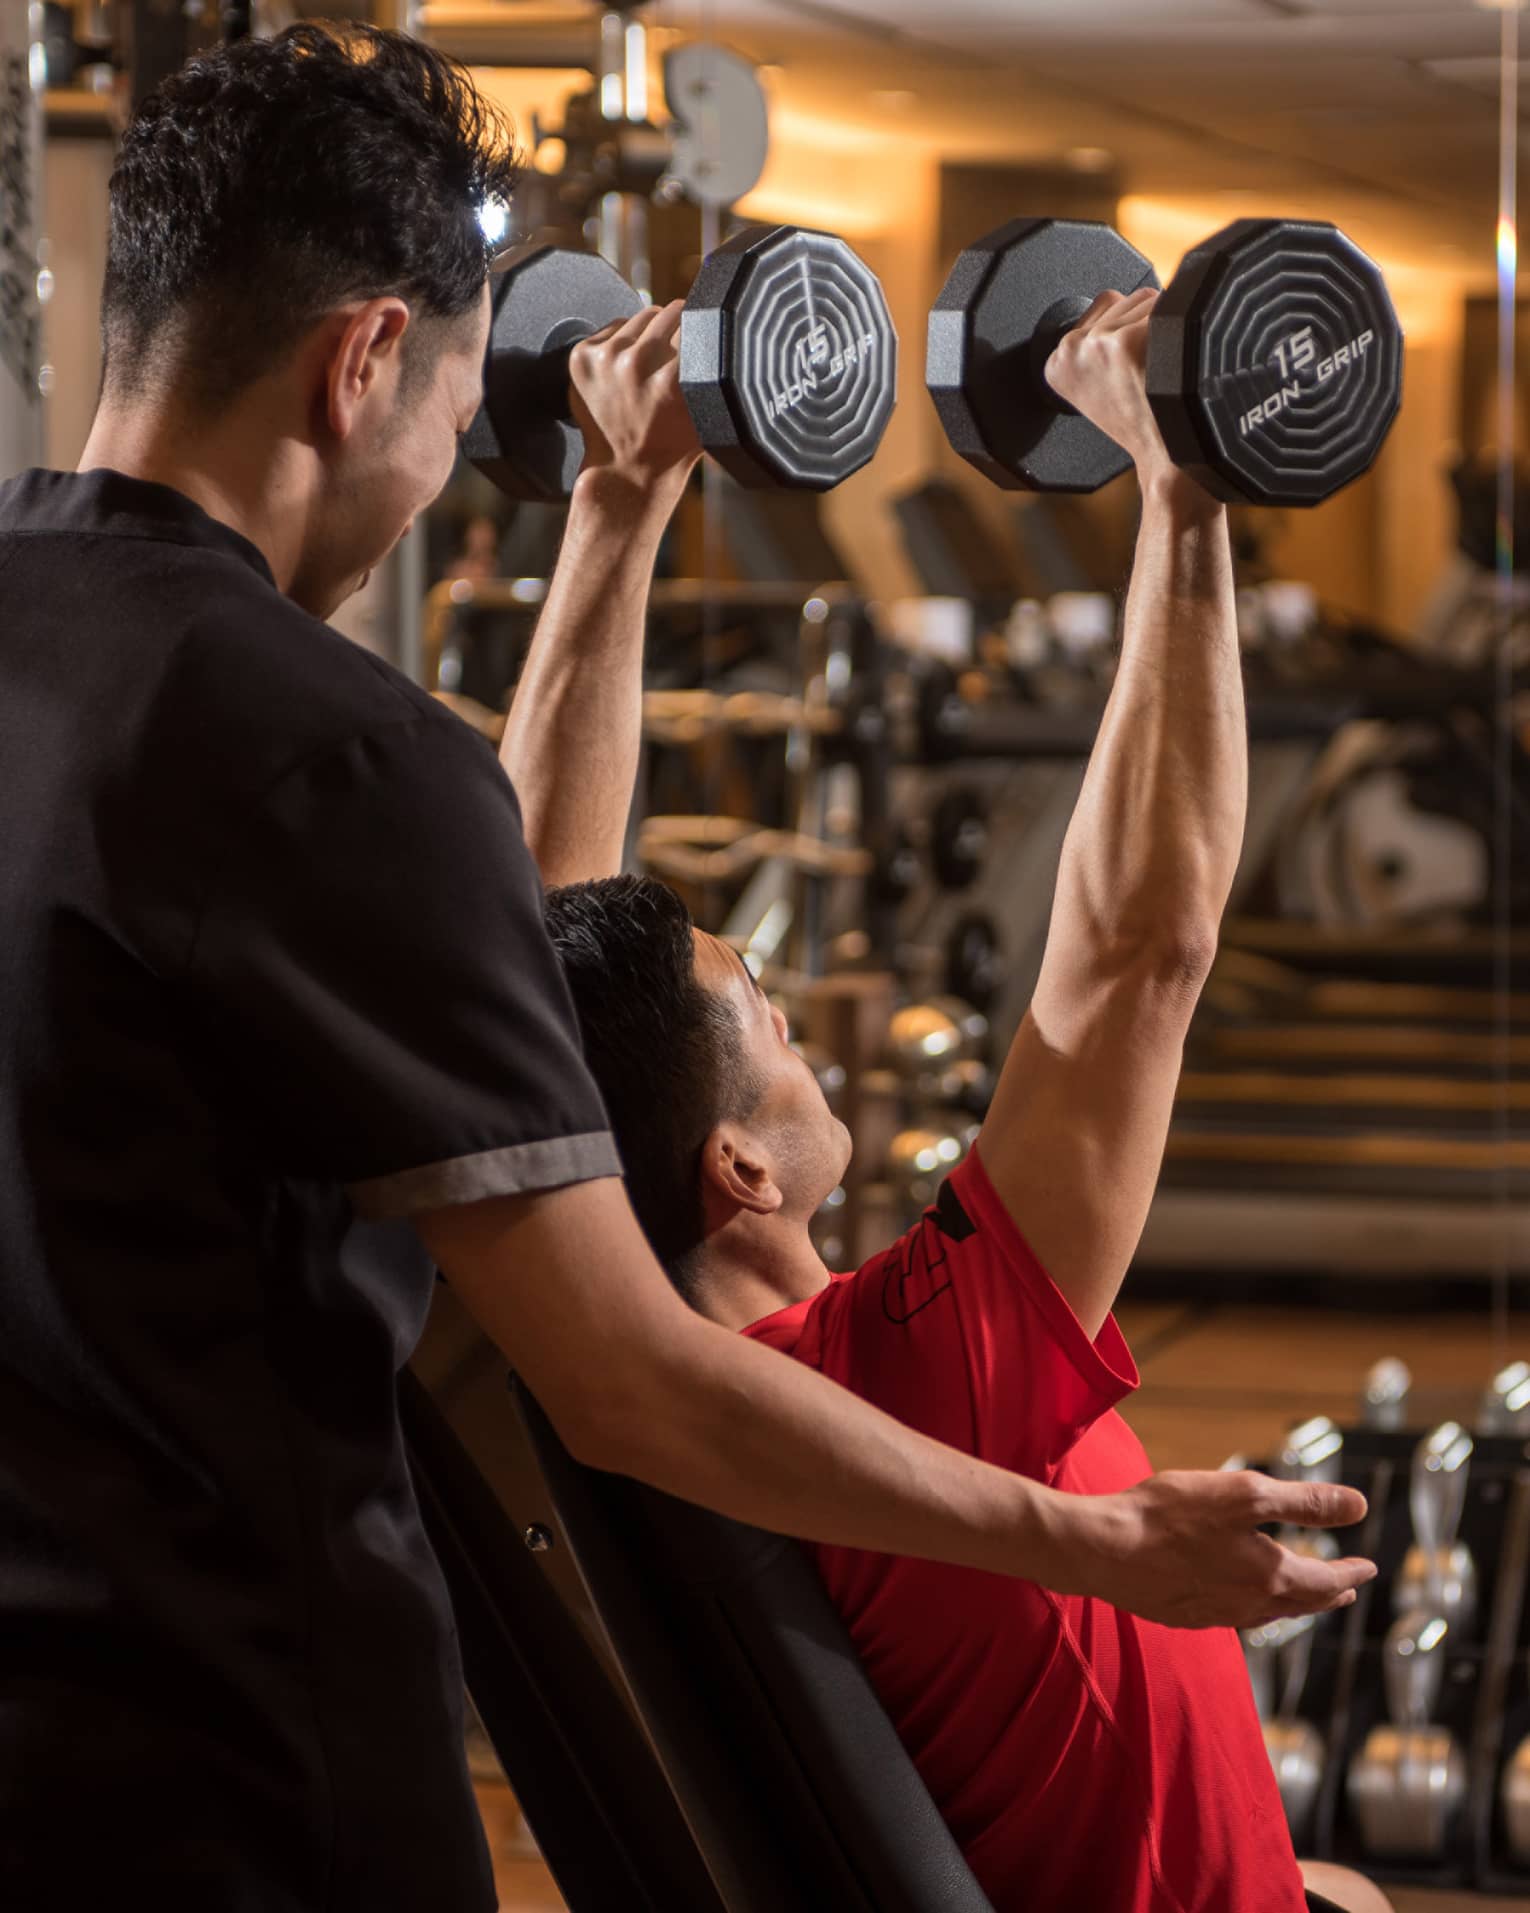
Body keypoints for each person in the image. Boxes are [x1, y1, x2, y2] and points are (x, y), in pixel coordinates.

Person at [0, 24, 1372, 1909]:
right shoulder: (326, 750)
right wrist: (1093, 1536)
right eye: (459, 404)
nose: (433, 476)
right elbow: (1134, 953)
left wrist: (618, 504)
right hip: (254, 1782)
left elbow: (506, 937)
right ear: (368, 357)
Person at [531, 295, 1390, 1911]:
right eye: (768, 1017)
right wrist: (1183, 487)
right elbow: (1140, 950)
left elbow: (527, 996)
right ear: (732, 1167)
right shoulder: (904, 1374)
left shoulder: (659, 1369)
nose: (806, 1035)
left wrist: (619, 499)